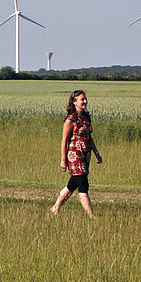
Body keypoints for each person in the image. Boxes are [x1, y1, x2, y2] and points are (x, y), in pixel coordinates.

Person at [50, 89, 102, 218]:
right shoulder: (70, 120)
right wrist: (63, 160)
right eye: (82, 99)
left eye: (85, 99)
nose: (85, 101)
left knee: (72, 184)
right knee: (83, 186)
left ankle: (55, 208)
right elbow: (64, 140)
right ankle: (92, 216)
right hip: (75, 155)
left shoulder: (86, 117)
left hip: (85, 155)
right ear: (74, 102)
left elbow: (89, 137)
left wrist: (96, 152)